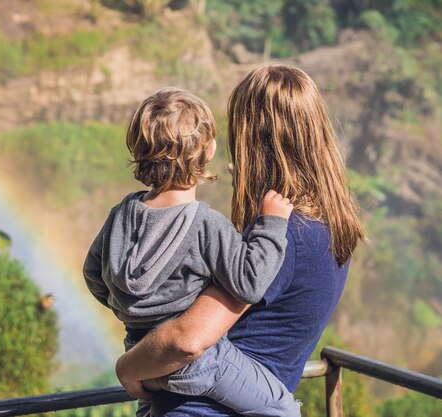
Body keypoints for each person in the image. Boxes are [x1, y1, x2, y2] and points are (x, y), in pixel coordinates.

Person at [115, 64, 365, 417]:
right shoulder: (328, 226)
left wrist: (127, 368)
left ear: (252, 140)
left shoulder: (281, 237)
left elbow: (186, 340)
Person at [83, 87, 300, 417]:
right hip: (196, 365)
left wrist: (129, 308)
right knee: (279, 405)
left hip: (140, 352)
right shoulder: (204, 224)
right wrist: (271, 223)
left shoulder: (122, 212)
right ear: (209, 150)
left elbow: (93, 274)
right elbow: (250, 282)